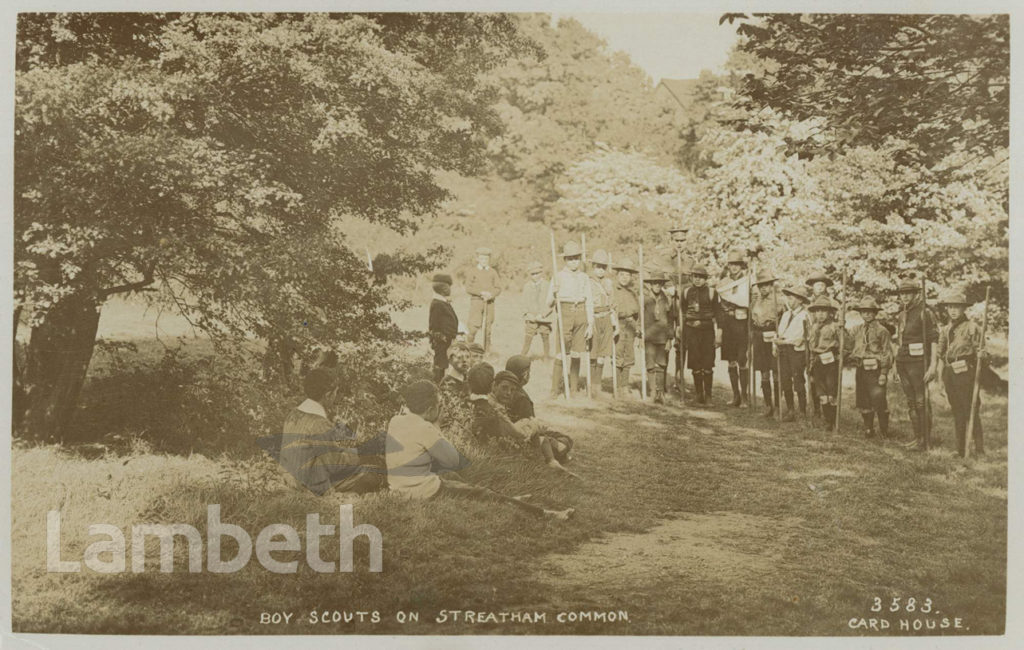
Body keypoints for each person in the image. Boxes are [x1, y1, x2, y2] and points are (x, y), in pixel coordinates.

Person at [385, 379, 573, 520]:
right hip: (422, 492)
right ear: (429, 409)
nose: (442, 408)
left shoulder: (396, 420)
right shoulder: (425, 427)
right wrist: (436, 425)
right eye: (439, 405)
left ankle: (502, 499)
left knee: (457, 481)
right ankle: (547, 513)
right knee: (478, 491)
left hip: (399, 489)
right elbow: (453, 461)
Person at [280, 368, 381, 495]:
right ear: (328, 395)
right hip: (311, 484)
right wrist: (360, 454)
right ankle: (347, 506)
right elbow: (334, 464)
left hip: (291, 478)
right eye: (335, 393)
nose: (335, 397)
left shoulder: (294, 414)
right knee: (372, 474)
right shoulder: (320, 423)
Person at [933, 290, 986, 457]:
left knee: (971, 409)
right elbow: (941, 356)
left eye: (957, 307)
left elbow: (982, 351)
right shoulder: (945, 330)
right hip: (950, 373)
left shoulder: (972, 328)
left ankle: (979, 449)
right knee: (957, 410)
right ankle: (960, 448)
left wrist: (982, 354)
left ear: (964, 309)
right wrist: (940, 379)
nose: (953, 310)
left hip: (966, 372)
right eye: (950, 307)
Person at [894, 278, 939, 449]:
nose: (905, 296)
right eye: (902, 293)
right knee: (911, 402)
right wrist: (894, 365)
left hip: (919, 363)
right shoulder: (902, 314)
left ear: (916, 294)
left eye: (908, 293)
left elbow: (934, 338)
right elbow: (899, 341)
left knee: (921, 401)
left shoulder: (925, 312)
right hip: (903, 361)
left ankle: (925, 440)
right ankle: (917, 437)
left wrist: (933, 364)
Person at [546, 240, 595, 397]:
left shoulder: (584, 277)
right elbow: (548, 303)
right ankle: (554, 390)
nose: (574, 262)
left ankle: (573, 389)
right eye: (570, 258)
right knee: (561, 353)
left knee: (576, 353)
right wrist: (554, 293)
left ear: (580, 259)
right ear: (565, 260)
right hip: (565, 313)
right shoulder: (558, 276)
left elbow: (589, 301)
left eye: (576, 258)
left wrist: (590, 323)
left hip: (581, 314)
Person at [844, 297, 892, 439]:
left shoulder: (882, 331)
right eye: (864, 312)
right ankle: (868, 428)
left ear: (875, 313)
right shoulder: (857, 329)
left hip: (876, 369)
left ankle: (884, 430)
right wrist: (842, 329)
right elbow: (847, 342)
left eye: (870, 312)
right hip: (861, 367)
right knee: (863, 399)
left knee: (878, 398)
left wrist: (884, 372)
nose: (867, 315)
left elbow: (887, 353)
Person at [717, 249, 751, 407]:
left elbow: (750, 303)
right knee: (731, 362)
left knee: (742, 360)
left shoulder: (748, 281)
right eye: (731, 264)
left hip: (743, 324)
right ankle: (735, 395)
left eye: (737, 265)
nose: (734, 268)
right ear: (728, 266)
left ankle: (744, 397)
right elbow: (721, 305)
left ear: (741, 266)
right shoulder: (723, 283)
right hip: (728, 324)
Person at [682, 265, 718, 404]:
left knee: (707, 363)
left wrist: (719, 333)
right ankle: (699, 394)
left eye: (700, 277)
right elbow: (682, 312)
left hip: (707, 331)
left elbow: (718, 314)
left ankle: (708, 395)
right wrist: (681, 329)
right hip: (691, 331)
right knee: (695, 362)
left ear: (705, 279)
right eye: (695, 277)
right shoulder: (686, 292)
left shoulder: (712, 293)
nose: (697, 280)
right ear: (691, 278)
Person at [663, 223, 692, 396]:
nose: (680, 243)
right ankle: (663, 381)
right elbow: (658, 278)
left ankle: (679, 380)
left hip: (683, 307)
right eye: (676, 240)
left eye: (683, 240)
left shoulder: (691, 260)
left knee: (682, 343)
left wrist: (681, 290)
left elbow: (694, 283)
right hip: (668, 306)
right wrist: (668, 287)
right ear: (671, 240)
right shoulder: (664, 258)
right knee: (665, 341)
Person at [775, 286, 810, 422]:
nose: (789, 300)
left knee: (798, 380)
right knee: (785, 379)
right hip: (783, 351)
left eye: (791, 298)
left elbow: (802, 337)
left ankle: (802, 411)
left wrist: (785, 341)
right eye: (788, 297)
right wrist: (776, 343)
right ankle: (790, 410)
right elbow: (780, 332)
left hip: (797, 351)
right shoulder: (785, 314)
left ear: (800, 300)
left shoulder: (805, 316)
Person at [750, 269, 782, 417]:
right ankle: (768, 405)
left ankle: (777, 406)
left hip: (773, 336)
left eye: (767, 285)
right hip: (759, 336)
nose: (763, 288)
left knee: (776, 372)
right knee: (764, 373)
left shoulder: (779, 300)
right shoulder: (756, 300)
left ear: (771, 286)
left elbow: (783, 320)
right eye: (761, 285)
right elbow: (752, 320)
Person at [641, 268, 675, 404]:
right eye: (654, 283)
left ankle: (660, 392)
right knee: (650, 363)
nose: (657, 286)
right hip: (649, 336)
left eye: (659, 283)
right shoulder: (644, 299)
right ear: (650, 284)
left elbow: (671, 320)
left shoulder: (666, 299)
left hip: (662, 336)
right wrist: (639, 333)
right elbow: (640, 318)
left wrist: (670, 338)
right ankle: (652, 391)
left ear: (662, 284)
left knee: (661, 363)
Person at [807, 295, 841, 431]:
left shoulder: (835, 327)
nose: (820, 314)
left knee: (831, 392)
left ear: (830, 313)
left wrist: (839, 354)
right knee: (822, 393)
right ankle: (827, 420)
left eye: (823, 311)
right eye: (818, 311)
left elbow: (845, 344)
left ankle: (833, 421)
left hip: (831, 361)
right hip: (817, 361)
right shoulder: (813, 327)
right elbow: (811, 346)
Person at [587, 249, 617, 396]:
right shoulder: (588, 282)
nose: (600, 270)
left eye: (603, 267)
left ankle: (597, 385)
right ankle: (591, 384)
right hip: (593, 317)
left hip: (606, 317)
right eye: (598, 267)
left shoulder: (608, 283)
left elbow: (612, 304)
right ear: (593, 267)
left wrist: (614, 320)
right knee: (593, 352)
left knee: (602, 354)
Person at [805, 271, 833, 419]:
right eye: (817, 285)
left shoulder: (832, 303)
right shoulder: (807, 303)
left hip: (826, 343)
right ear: (812, 287)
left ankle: (828, 412)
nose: (820, 287)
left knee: (827, 381)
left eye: (822, 285)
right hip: (810, 340)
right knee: (812, 377)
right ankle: (816, 409)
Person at [612, 257, 640, 397]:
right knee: (618, 354)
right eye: (622, 274)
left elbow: (637, 311)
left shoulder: (633, 292)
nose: (624, 278)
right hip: (618, 324)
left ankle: (624, 386)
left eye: (627, 275)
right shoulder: (613, 290)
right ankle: (617, 386)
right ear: (617, 275)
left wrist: (637, 326)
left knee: (629, 355)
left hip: (630, 326)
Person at [465, 247, 502, 351]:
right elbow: (468, 288)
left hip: (489, 303)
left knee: (488, 328)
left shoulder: (492, 272)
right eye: (482, 259)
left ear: (489, 260)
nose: (484, 261)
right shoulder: (473, 271)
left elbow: (498, 288)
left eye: (486, 259)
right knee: (473, 327)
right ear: (478, 259)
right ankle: (469, 349)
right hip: (477, 303)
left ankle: (486, 352)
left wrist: (491, 294)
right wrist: (481, 293)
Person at [428, 273, 459, 383]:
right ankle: (436, 384)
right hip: (441, 340)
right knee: (440, 363)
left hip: (446, 339)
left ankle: (439, 383)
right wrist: (439, 337)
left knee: (443, 363)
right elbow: (434, 324)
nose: (450, 289)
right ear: (441, 289)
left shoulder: (443, 301)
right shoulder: (437, 303)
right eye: (447, 287)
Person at [521, 261, 553, 358]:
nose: (535, 276)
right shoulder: (527, 286)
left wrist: (543, 314)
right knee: (527, 339)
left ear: (541, 273)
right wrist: (527, 313)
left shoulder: (547, 286)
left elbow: (551, 303)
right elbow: (524, 303)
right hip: (531, 318)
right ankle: (521, 358)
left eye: (537, 273)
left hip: (544, 318)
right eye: (532, 274)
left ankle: (546, 358)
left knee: (545, 338)